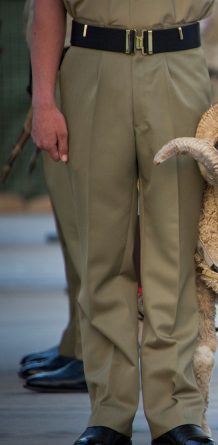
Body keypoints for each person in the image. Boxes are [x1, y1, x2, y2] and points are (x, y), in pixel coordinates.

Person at [31, 1, 218, 444]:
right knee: (101, 253)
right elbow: (46, 6)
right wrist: (43, 99)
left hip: (177, 65)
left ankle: (176, 412)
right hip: (90, 68)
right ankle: (107, 413)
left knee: (174, 252)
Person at [19, 7, 85, 393]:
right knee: (71, 227)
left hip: (79, 70)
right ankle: (77, 339)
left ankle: (89, 351)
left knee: (85, 231)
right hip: (56, 74)